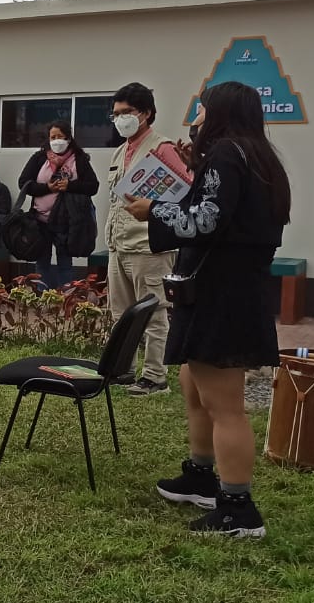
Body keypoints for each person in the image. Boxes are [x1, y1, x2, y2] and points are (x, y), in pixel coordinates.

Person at [124, 80, 291, 539]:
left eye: (200, 110)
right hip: (227, 287)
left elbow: (206, 220)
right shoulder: (255, 156)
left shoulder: (227, 155)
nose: (195, 118)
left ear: (220, 113)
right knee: (192, 381)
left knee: (225, 404)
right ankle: (201, 475)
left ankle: (238, 507)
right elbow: (221, 210)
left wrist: (152, 211)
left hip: (223, 292)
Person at [105, 82, 175, 397]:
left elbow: (181, 193)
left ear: (145, 113)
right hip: (118, 242)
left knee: (154, 311)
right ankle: (123, 369)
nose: (120, 119)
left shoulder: (163, 147)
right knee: (121, 312)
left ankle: (155, 377)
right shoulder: (122, 150)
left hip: (149, 244)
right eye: (116, 114)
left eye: (127, 112)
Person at [17, 121, 100, 289]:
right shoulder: (39, 158)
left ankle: (66, 299)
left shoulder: (79, 159)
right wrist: (46, 187)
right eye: (52, 137)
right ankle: (43, 299)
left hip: (67, 222)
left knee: (65, 262)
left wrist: (70, 186)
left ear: (68, 138)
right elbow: (24, 183)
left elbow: (93, 186)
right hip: (40, 220)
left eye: (60, 137)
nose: (56, 140)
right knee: (42, 263)